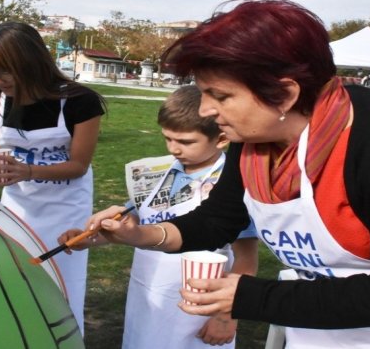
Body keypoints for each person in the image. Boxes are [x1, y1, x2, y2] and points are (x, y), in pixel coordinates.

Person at [60, 0, 370, 348]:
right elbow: (216, 221)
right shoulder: (254, 138)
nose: (206, 110)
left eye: (220, 95)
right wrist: (141, 235)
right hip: (324, 324)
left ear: (283, 93)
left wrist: (248, 296)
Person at [60, 86, 258, 348]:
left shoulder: (231, 186)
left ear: (222, 139)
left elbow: (247, 258)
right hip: (147, 296)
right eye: (168, 138)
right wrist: (91, 239)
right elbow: (135, 228)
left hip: (199, 307)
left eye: (185, 142)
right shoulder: (156, 175)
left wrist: (225, 316)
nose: (174, 149)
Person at [0, 21, 106, 335]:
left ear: (29, 63)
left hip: (66, 212)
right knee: (18, 285)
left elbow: (78, 165)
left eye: (3, 71)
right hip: (17, 212)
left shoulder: (80, 102)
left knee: (63, 289)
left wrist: (30, 170)